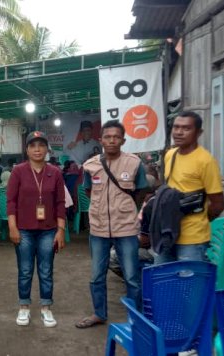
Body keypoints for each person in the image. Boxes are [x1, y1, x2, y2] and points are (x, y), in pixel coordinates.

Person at [75, 120, 149, 329]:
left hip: (126, 228)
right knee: (97, 275)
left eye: (116, 137)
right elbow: (88, 191)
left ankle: (135, 317)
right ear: (101, 139)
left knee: (132, 276)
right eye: (108, 137)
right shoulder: (90, 165)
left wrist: (125, 208)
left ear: (123, 140)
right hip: (98, 228)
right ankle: (99, 313)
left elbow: (142, 190)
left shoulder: (134, 163)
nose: (112, 140)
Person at [7, 131, 67, 328]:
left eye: (41, 145)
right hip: (23, 229)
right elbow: (11, 201)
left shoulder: (55, 172)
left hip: (48, 230)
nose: (37, 149)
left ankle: (46, 307)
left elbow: (60, 203)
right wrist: (12, 227)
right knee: (25, 270)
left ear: (47, 149)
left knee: (46, 269)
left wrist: (61, 230)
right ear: (27, 150)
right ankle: (24, 306)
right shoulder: (18, 171)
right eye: (33, 146)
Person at [154, 111, 224, 263]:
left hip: (193, 238)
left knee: (189, 284)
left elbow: (218, 204)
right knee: (163, 281)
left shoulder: (205, 161)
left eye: (186, 128)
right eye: (176, 127)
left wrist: (197, 219)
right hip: (168, 232)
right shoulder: (170, 155)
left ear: (199, 132)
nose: (179, 132)